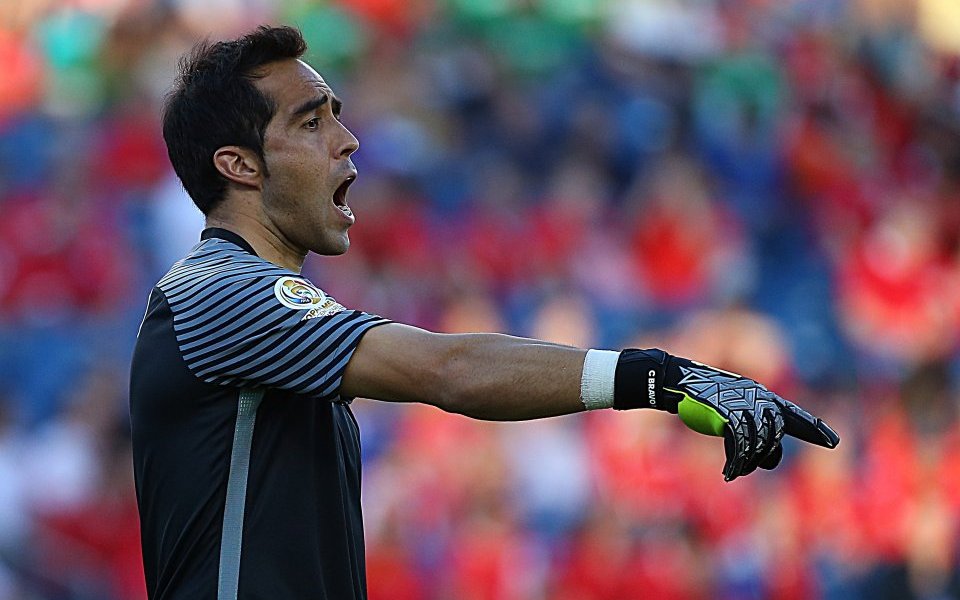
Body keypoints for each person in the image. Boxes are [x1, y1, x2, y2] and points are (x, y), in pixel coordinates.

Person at [129, 25, 839, 600]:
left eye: (338, 117)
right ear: (240, 166)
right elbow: (452, 370)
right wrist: (657, 377)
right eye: (311, 123)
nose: (347, 141)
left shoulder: (252, 311)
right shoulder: (220, 292)